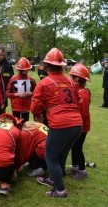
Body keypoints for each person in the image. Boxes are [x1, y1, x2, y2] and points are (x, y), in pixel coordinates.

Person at [30, 48, 83, 198]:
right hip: (77, 124)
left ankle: (59, 190)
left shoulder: (44, 83)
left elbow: (35, 106)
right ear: (61, 65)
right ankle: (56, 179)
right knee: (61, 154)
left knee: (50, 156)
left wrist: (38, 115)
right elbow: (78, 102)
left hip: (61, 125)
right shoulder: (71, 82)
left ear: (47, 66)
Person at [68, 63, 91, 179]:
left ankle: (82, 171)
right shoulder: (77, 90)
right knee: (74, 146)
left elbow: (84, 112)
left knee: (78, 147)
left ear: (77, 78)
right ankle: (75, 167)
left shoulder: (83, 92)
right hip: (77, 124)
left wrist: (76, 122)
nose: (70, 78)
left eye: (71, 76)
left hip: (81, 126)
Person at [6, 57, 36, 122]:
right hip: (16, 108)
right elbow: (7, 94)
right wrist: (17, 94)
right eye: (24, 70)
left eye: (27, 69)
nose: (26, 71)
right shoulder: (13, 80)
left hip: (26, 107)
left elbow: (36, 92)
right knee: (16, 124)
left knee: (25, 125)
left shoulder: (31, 80)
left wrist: (30, 93)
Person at [0, 47, 14, 113]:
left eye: (3, 55)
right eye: (0, 55)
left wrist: (4, 75)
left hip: (3, 91)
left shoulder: (8, 65)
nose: (1, 57)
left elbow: (12, 78)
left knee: (2, 112)